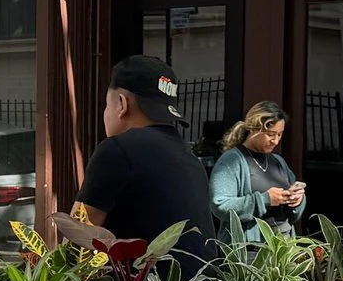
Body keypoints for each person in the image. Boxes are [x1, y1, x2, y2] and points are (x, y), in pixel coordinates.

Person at [57, 55, 220, 261]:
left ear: (121, 104)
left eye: (106, 104)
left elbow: (76, 242)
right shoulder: (190, 158)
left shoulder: (117, 149)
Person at [213, 102, 304, 245]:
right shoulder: (232, 161)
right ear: (254, 129)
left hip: (285, 246)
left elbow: (296, 210)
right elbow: (220, 205)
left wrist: (297, 201)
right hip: (251, 251)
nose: (275, 141)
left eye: (279, 134)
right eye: (270, 134)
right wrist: (265, 200)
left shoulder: (279, 161)